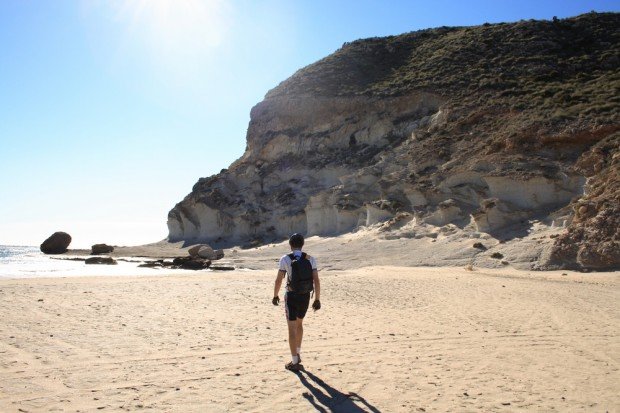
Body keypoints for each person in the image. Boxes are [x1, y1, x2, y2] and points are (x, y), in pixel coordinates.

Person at [272, 233, 321, 371]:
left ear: (290, 244)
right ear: (303, 244)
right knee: (300, 324)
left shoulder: (285, 259)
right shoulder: (310, 259)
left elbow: (279, 280)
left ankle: (294, 362)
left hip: (292, 295)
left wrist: (275, 295)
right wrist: (317, 299)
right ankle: (298, 353)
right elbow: (316, 280)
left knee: (291, 328)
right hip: (305, 296)